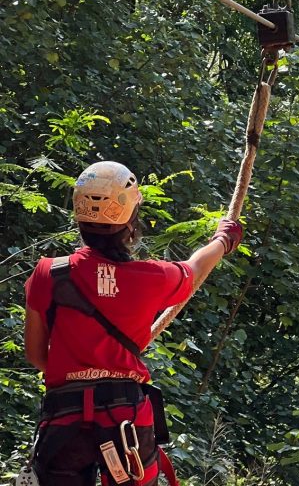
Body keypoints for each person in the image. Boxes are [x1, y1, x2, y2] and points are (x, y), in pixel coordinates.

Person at [23, 160, 242, 486]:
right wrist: (223, 239)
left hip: (64, 418)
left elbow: (37, 356)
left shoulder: (49, 273)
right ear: (131, 222)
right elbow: (194, 269)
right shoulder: (151, 278)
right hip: (124, 419)